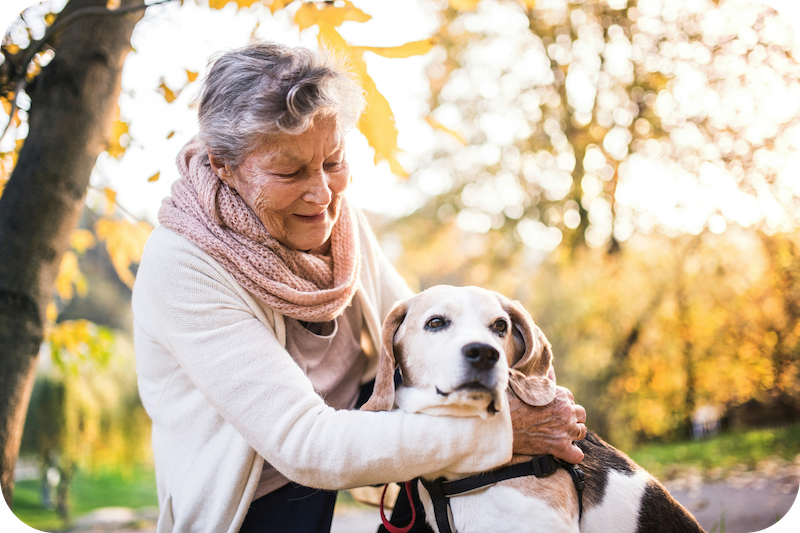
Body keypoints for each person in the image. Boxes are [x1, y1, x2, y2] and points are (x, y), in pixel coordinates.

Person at [132, 41, 587, 533]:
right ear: (224, 165)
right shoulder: (181, 264)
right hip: (261, 494)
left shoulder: (334, 216)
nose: (322, 194)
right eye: (289, 172)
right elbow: (306, 444)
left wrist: (525, 403)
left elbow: (418, 337)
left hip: (363, 431)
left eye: (332, 161)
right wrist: (503, 430)